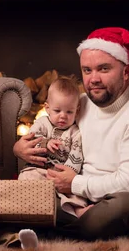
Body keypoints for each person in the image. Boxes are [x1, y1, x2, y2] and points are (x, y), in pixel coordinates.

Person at [14, 27, 129, 241]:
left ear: (126, 71)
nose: (93, 79)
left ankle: (44, 231)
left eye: (103, 69)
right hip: (81, 199)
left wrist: (74, 184)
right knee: (28, 188)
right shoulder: (79, 104)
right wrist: (19, 148)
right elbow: (45, 127)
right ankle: (53, 227)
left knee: (122, 206)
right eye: (87, 70)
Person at [18, 76, 88, 218]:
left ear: (77, 110)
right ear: (47, 108)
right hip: (39, 169)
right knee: (27, 177)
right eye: (57, 111)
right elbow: (30, 139)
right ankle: (32, 208)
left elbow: (76, 155)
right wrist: (45, 143)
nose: (63, 116)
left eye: (69, 112)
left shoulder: (75, 132)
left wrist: (69, 172)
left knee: (76, 190)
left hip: (62, 175)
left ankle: (77, 210)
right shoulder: (42, 123)